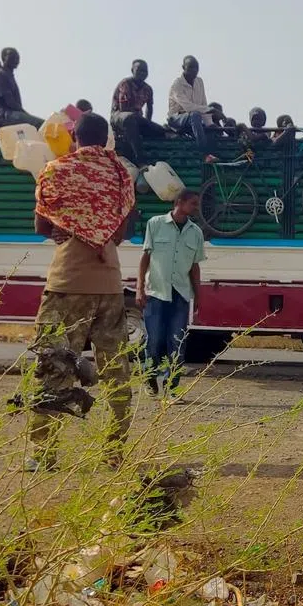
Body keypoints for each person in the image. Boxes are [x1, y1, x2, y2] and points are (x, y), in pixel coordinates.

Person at [28, 112, 136, 471]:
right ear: (106, 139)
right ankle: (114, 452)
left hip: (68, 281)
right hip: (109, 283)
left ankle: (44, 454)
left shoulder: (57, 170)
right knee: (116, 369)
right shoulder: (120, 174)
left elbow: (41, 225)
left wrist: (68, 228)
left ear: (75, 137)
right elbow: (121, 232)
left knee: (54, 365)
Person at [136, 189, 206, 397]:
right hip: (156, 293)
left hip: (180, 295)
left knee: (177, 343)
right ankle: (150, 379)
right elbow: (145, 258)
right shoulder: (155, 224)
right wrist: (139, 288)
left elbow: (195, 267)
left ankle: (172, 387)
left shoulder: (196, 232)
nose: (196, 207)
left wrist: (198, 296)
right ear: (180, 202)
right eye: (193, 203)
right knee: (154, 340)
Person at [111, 60, 166, 165]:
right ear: (132, 70)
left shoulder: (148, 89)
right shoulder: (125, 83)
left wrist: (148, 123)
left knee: (161, 131)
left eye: (145, 71)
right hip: (119, 117)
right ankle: (140, 159)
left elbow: (149, 108)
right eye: (139, 70)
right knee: (130, 118)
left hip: (138, 119)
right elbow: (123, 108)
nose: (142, 73)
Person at [167, 56, 221, 153]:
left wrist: (209, 123)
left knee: (211, 128)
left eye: (196, 68)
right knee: (195, 115)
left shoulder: (199, 82)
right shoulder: (177, 84)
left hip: (195, 120)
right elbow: (188, 107)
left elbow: (203, 103)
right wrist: (209, 109)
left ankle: (214, 155)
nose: (194, 70)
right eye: (191, 67)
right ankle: (204, 153)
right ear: (183, 67)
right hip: (176, 119)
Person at [0, 48, 43, 128]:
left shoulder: (9, 75)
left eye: (17, 57)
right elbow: (9, 101)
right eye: (12, 56)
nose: (15, 59)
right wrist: (26, 114)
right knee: (43, 125)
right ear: (4, 58)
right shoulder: (0, 74)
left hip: (12, 113)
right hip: (4, 115)